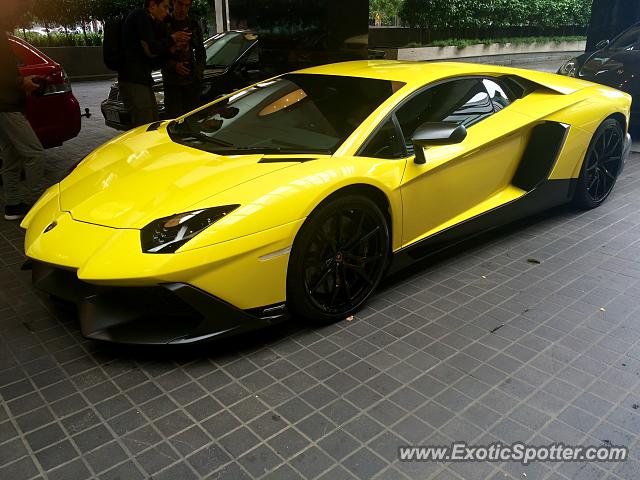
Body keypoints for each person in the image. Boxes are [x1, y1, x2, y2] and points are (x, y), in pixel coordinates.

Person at [0, 0, 45, 221]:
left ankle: (12, 204)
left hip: (5, 106)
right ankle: (37, 204)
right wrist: (22, 82)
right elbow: (4, 74)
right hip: (6, 106)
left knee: (11, 157)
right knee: (34, 153)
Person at [118, 0, 191, 127]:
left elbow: (154, 56)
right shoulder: (140, 16)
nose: (167, 12)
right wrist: (173, 39)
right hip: (133, 80)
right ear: (152, 6)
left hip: (142, 80)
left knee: (152, 124)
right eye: (164, 7)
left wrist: (172, 48)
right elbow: (152, 49)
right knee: (145, 126)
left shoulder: (151, 22)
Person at [162, 0, 206, 118]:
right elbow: (158, 53)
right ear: (174, 3)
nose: (183, 9)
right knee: (174, 120)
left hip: (191, 82)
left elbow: (201, 51)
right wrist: (173, 66)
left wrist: (198, 72)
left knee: (192, 119)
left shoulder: (193, 24)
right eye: (180, 4)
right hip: (172, 83)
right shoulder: (164, 23)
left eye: (187, 6)